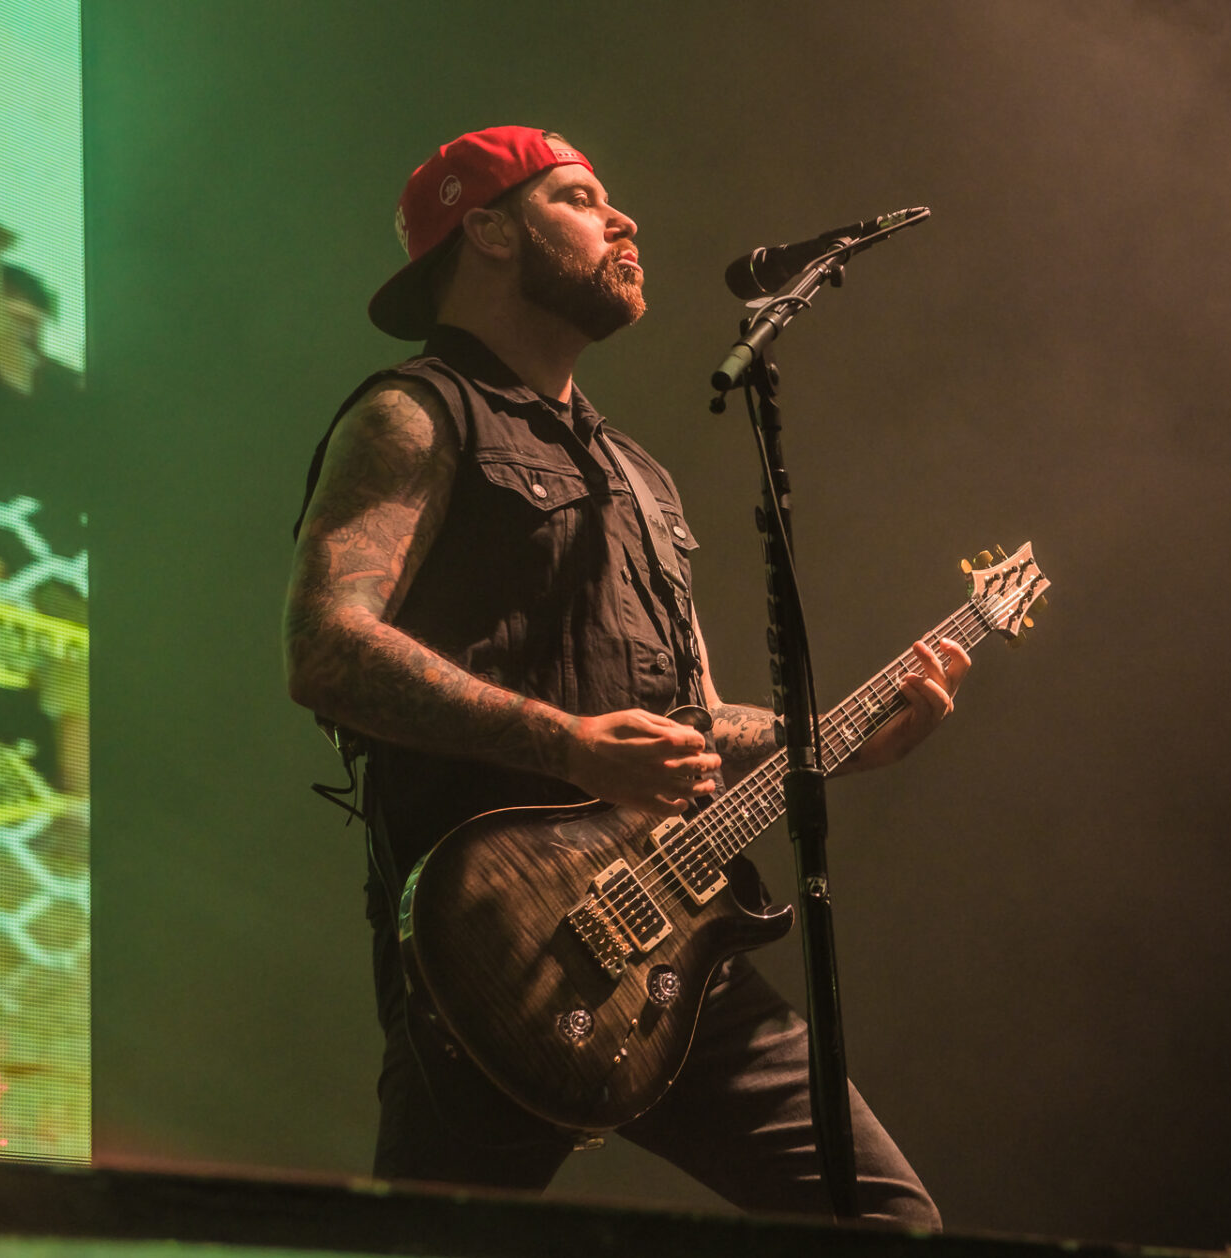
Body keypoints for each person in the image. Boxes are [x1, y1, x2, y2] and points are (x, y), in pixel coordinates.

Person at [282, 126, 966, 1224]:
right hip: (497, 955)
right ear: (489, 231)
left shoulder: (641, 477)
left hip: (676, 942)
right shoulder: (412, 414)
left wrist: (837, 741)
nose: (625, 219)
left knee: (887, 1222)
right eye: (581, 197)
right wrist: (567, 744)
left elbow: (692, 722)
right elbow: (325, 647)